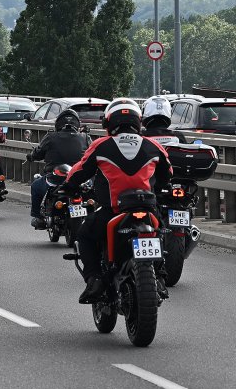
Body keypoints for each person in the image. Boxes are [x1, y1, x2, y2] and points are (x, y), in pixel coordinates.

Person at [63, 99, 172, 304]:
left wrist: (68, 185)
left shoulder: (101, 145)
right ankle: (160, 277)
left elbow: (79, 171)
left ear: (109, 122)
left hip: (113, 211)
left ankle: (94, 279)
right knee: (161, 231)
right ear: (138, 121)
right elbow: (168, 173)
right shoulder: (153, 145)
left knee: (85, 236)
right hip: (147, 208)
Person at [26, 109, 91, 229]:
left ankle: (38, 217)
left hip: (56, 177)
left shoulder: (51, 136)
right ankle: (92, 215)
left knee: (35, 186)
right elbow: (92, 155)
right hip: (78, 176)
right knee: (92, 190)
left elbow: (39, 153)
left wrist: (32, 156)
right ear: (77, 124)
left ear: (58, 123)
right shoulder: (85, 137)